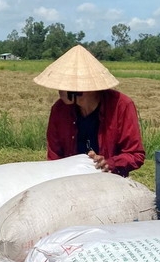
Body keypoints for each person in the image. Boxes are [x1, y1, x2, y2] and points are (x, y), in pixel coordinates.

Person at [33, 44, 145, 177]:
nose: (58, 91)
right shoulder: (59, 110)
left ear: (77, 90)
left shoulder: (121, 106)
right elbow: (54, 157)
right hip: (70, 179)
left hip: (112, 180)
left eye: (62, 86)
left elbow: (135, 155)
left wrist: (109, 163)